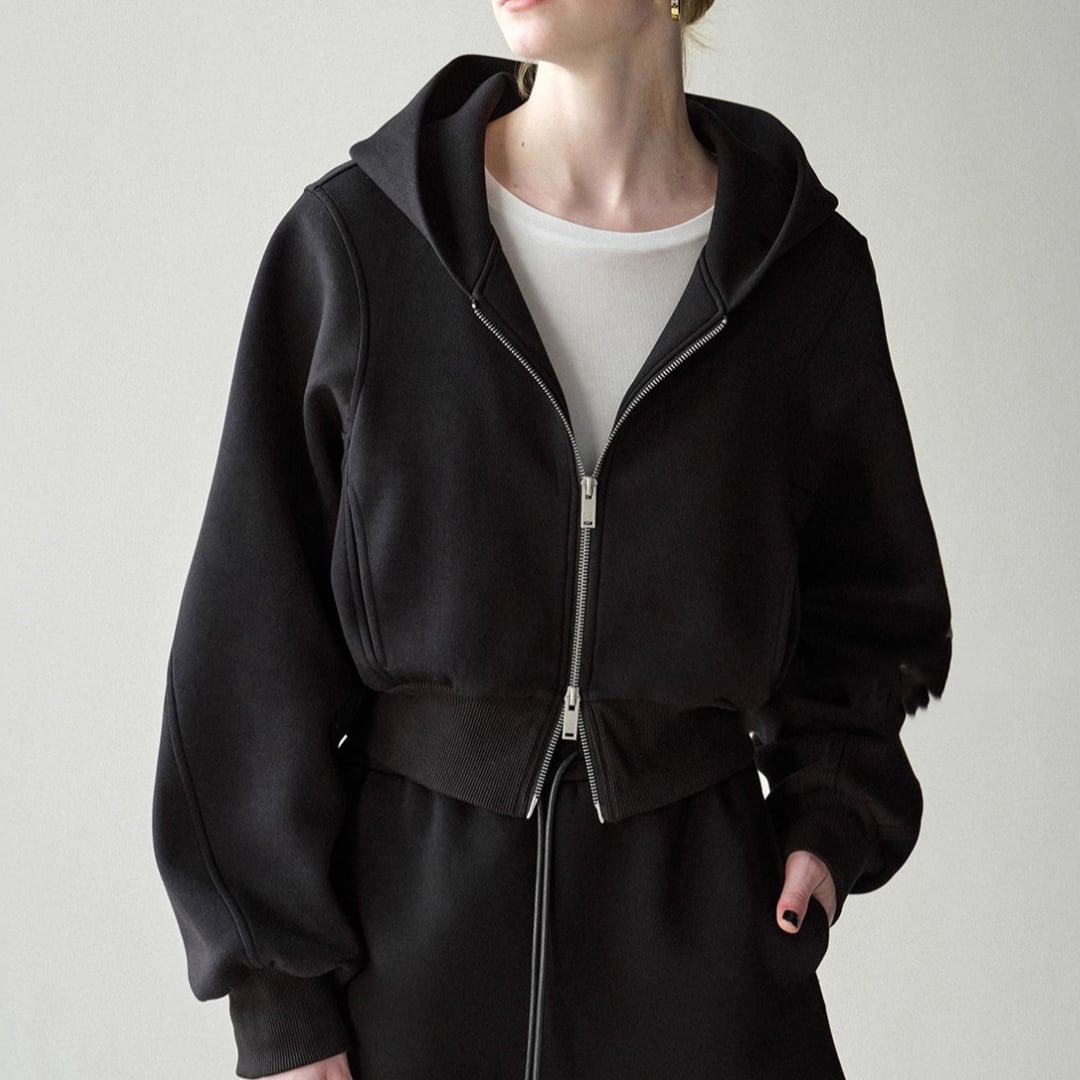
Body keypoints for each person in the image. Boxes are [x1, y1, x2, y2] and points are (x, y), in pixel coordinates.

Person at [151, 1, 953, 1078]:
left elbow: (872, 604)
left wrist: (833, 811)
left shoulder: (804, 277)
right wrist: (283, 1007)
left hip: (704, 967)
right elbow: (247, 648)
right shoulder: (360, 243)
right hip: (406, 980)